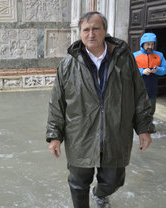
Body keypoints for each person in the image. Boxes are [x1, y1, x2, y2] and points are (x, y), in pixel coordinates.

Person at [46, 11, 155, 208]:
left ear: (105, 31)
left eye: (96, 28)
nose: (91, 34)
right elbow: (57, 103)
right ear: (80, 33)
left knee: (114, 180)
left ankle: (100, 193)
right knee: (78, 183)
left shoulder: (124, 59)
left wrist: (144, 128)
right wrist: (55, 135)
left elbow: (139, 94)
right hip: (80, 134)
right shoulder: (67, 65)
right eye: (85, 30)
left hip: (115, 132)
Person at [133, 33, 166, 117]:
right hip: (138, 87)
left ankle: (148, 125)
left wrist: (158, 70)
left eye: (152, 44)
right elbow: (129, 70)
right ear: (142, 44)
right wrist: (142, 71)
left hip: (152, 87)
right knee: (137, 109)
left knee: (151, 109)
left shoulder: (159, 55)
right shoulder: (135, 55)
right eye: (148, 44)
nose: (150, 47)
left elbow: (165, 69)